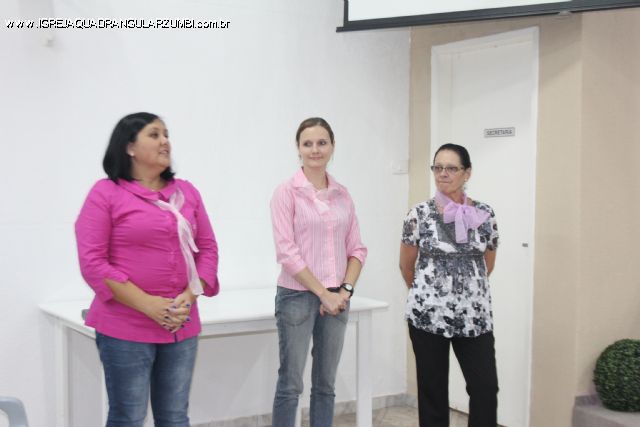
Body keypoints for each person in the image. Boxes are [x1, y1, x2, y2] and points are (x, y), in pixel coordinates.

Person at [75, 112, 220, 427]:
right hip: (125, 326)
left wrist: (189, 297)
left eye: (166, 134)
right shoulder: (106, 193)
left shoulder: (186, 193)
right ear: (129, 147)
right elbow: (92, 261)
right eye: (154, 135)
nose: (165, 141)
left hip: (180, 321)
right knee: (128, 417)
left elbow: (207, 249)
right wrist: (149, 305)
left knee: (175, 417)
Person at [270, 117, 367, 427]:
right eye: (308, 143)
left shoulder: (343, 195)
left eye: (322, 142)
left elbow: (357, 249)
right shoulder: (286, 192)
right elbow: (287, 252)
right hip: (296, 297)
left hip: (338, 299)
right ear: (298, 149)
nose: (315, 149)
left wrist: (344, 291)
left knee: (325, 385)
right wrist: (323, 293)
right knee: (290, 384)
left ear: (332, 147)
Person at [399, 143, 499, 427]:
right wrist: (432, 294)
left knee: (485, 388)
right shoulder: (418, 214)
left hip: (474, 317)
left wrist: (465, 290)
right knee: (433, 393)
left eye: (451, 168)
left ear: (467, 173)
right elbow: (406, 266)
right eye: (438, 167)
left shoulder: (485, 214)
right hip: (428, 316)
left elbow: (487, 264)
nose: (443, 173)